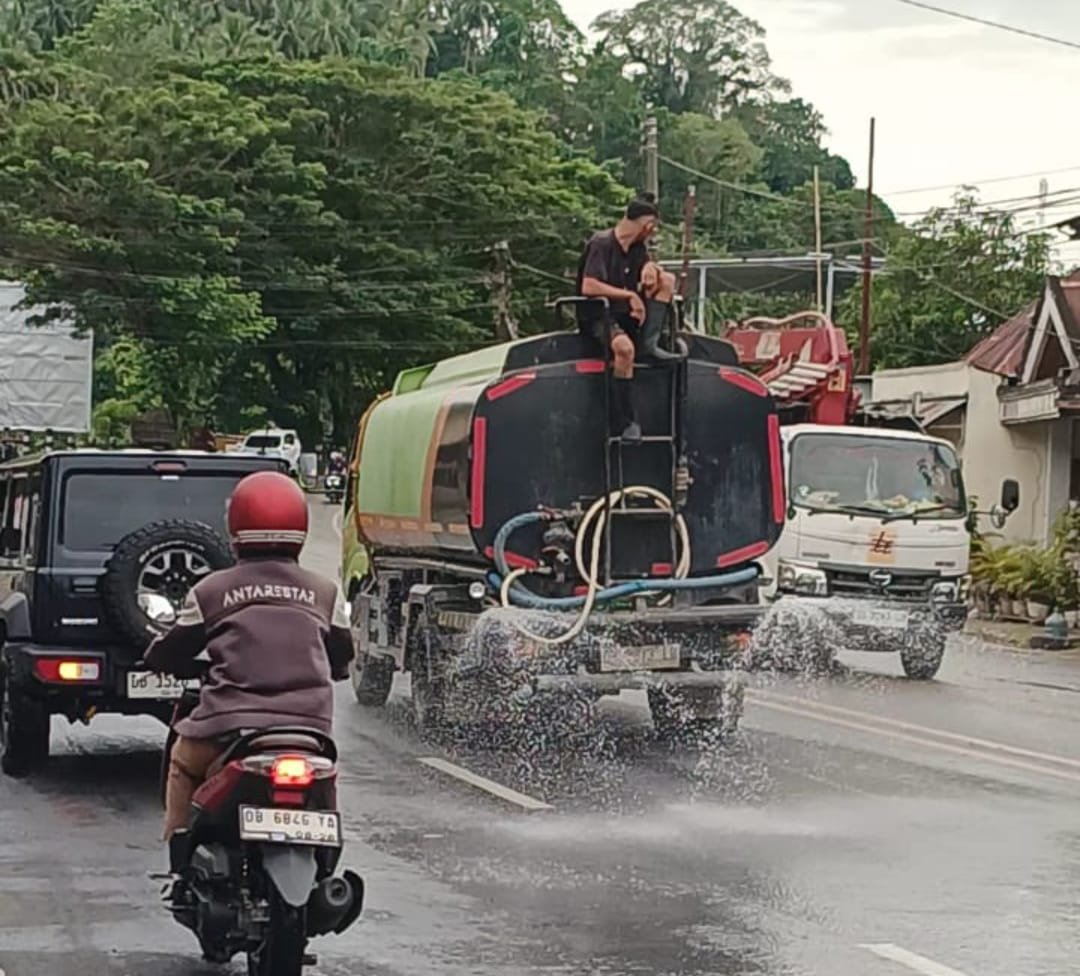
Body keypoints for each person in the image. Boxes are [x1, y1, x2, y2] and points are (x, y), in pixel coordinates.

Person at [146, 470, 355, 840]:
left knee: (182, 761)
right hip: (309, 730)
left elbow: (172, 651)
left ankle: (177, 859)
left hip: (229, 729)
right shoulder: (325, 592)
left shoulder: (211, 590)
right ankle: (327, 861)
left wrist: (165, 660)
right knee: (324, 777)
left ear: (236, 526)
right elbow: (342, 655)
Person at [575, 192, 682, 442]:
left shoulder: (636, 248)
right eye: (653, 228)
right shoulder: (601, 244)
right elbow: (589, 286)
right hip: (600, 315)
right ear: (648, 225)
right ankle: (625, 421)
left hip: (628, 315)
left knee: (667, 280)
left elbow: (649, 269)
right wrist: (628, 296)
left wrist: (651, 268)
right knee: (623, 350)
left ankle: (649, 343)